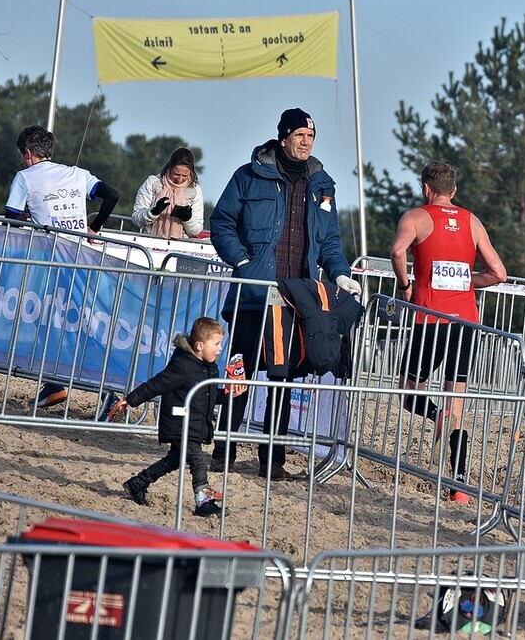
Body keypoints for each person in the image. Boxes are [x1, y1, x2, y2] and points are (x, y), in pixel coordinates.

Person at [209, 108, 361, 481]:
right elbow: (222, 223)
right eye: (299, 135)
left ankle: (272, 459)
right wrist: (242, 261)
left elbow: (330, 241)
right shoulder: (248, 176)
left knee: (284, 378)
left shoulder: (322, 185)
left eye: (311, 136)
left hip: (297, 299)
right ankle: (224, 450)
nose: (306, 142)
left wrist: (341, 274)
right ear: (283, 138)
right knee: (239, 372)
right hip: (254, 294)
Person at [390, 161, 507, 503]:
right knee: (456, 400)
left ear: (426, 189)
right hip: (466, 322)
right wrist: (468, 281)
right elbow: (499, 273)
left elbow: (397, 251)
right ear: (453, 190)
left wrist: (406, 286)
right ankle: (459, 487)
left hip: (430, 319)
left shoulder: (416, 217)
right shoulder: (472, 221)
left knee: (408, 392)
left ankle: (435, 415)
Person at [5, 124, 120, 409]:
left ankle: (107, 393)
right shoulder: (77, 173)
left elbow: (10, 219)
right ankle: (56, 385)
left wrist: (27, 216)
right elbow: (112, 196)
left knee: (54, 322)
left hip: (53, 262)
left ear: (27, 153)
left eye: (22, 156)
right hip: (82, 260)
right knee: (74, 324)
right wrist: (94, 227)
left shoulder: (24, 177)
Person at [113, 317, 238, 517]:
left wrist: (229, 394)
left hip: (196, 424)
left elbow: (210, 396)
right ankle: (203, 502)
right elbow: (156, 384)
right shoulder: (182, 365)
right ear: (199, 346)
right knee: (198, 461)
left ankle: (137, 483)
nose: (220, 348)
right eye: (216, 344)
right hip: (180, 424)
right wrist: (131, 400)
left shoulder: (209, 367)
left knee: (174, 459)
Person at [131, 147, 205, 238]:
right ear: (169, 167)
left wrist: (188, 219)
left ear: (191, 172)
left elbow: (196, 230)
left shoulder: (195, 190)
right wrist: (153, 212)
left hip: (180, 243)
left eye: (184, 175)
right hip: (150, 240)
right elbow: (136, 219)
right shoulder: (152, 182)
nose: (180, 179)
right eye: (176, 174)